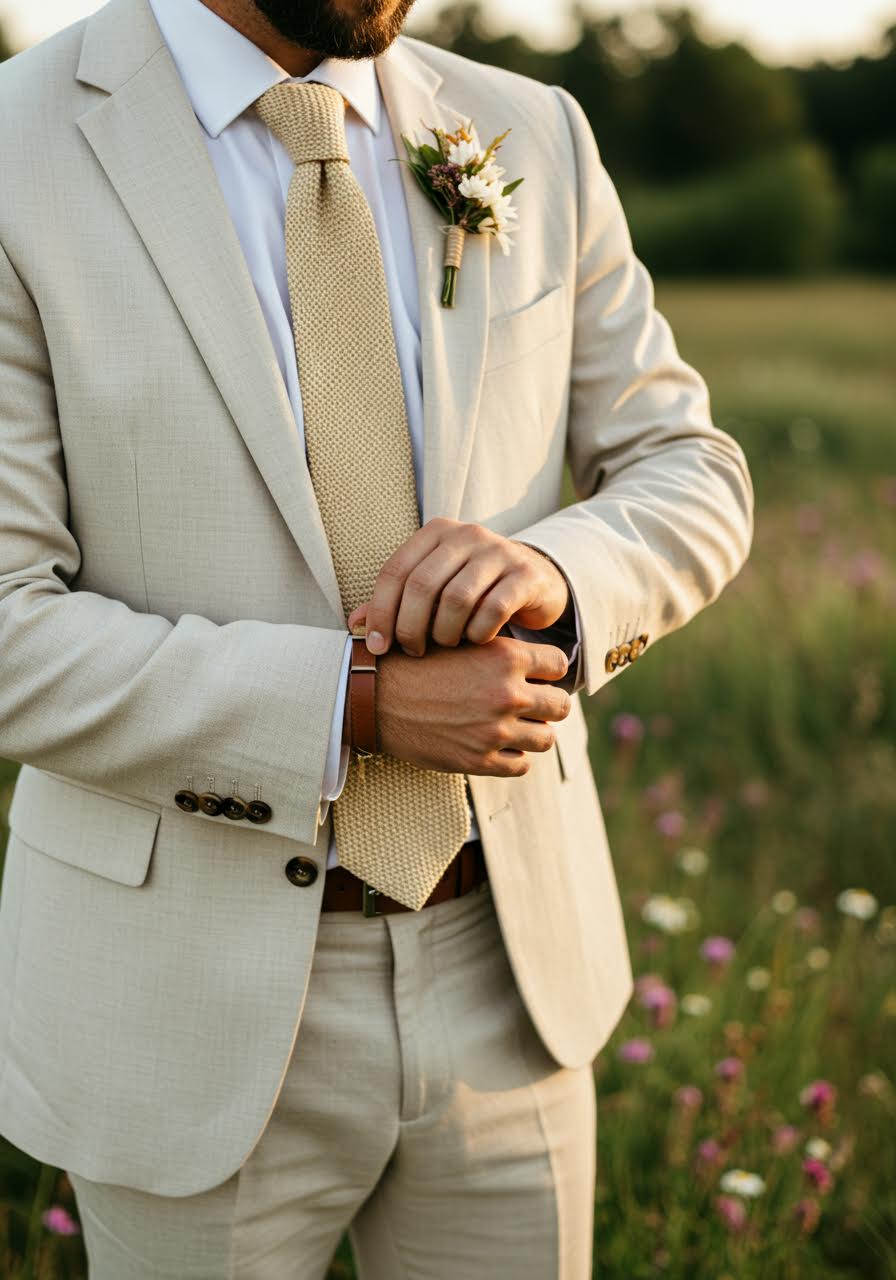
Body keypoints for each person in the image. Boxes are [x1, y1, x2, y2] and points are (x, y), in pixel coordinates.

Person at [0, 0, 753, 1274]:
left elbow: (688, 465)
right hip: (180, 1001)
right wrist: (357, 703)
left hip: (508, 970)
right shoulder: (20, 150)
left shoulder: (533, 130)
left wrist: (553, 572)